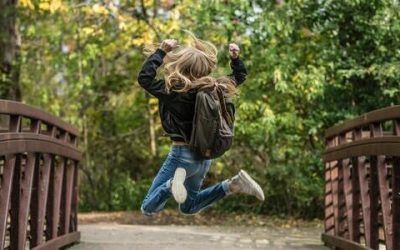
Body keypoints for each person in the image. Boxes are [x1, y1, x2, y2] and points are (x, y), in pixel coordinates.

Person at [138, 33, 264, 216]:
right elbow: (240, 76)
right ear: (204, 68)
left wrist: (161, 51)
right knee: (189, 207)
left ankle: (171, 184)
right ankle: (233, 185)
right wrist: (235, 59)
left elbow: (144, 78)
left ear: (181, 65)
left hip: (181, 156)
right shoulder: (215, 88)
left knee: (147, 207)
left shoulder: (174, 91)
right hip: (203, 158)